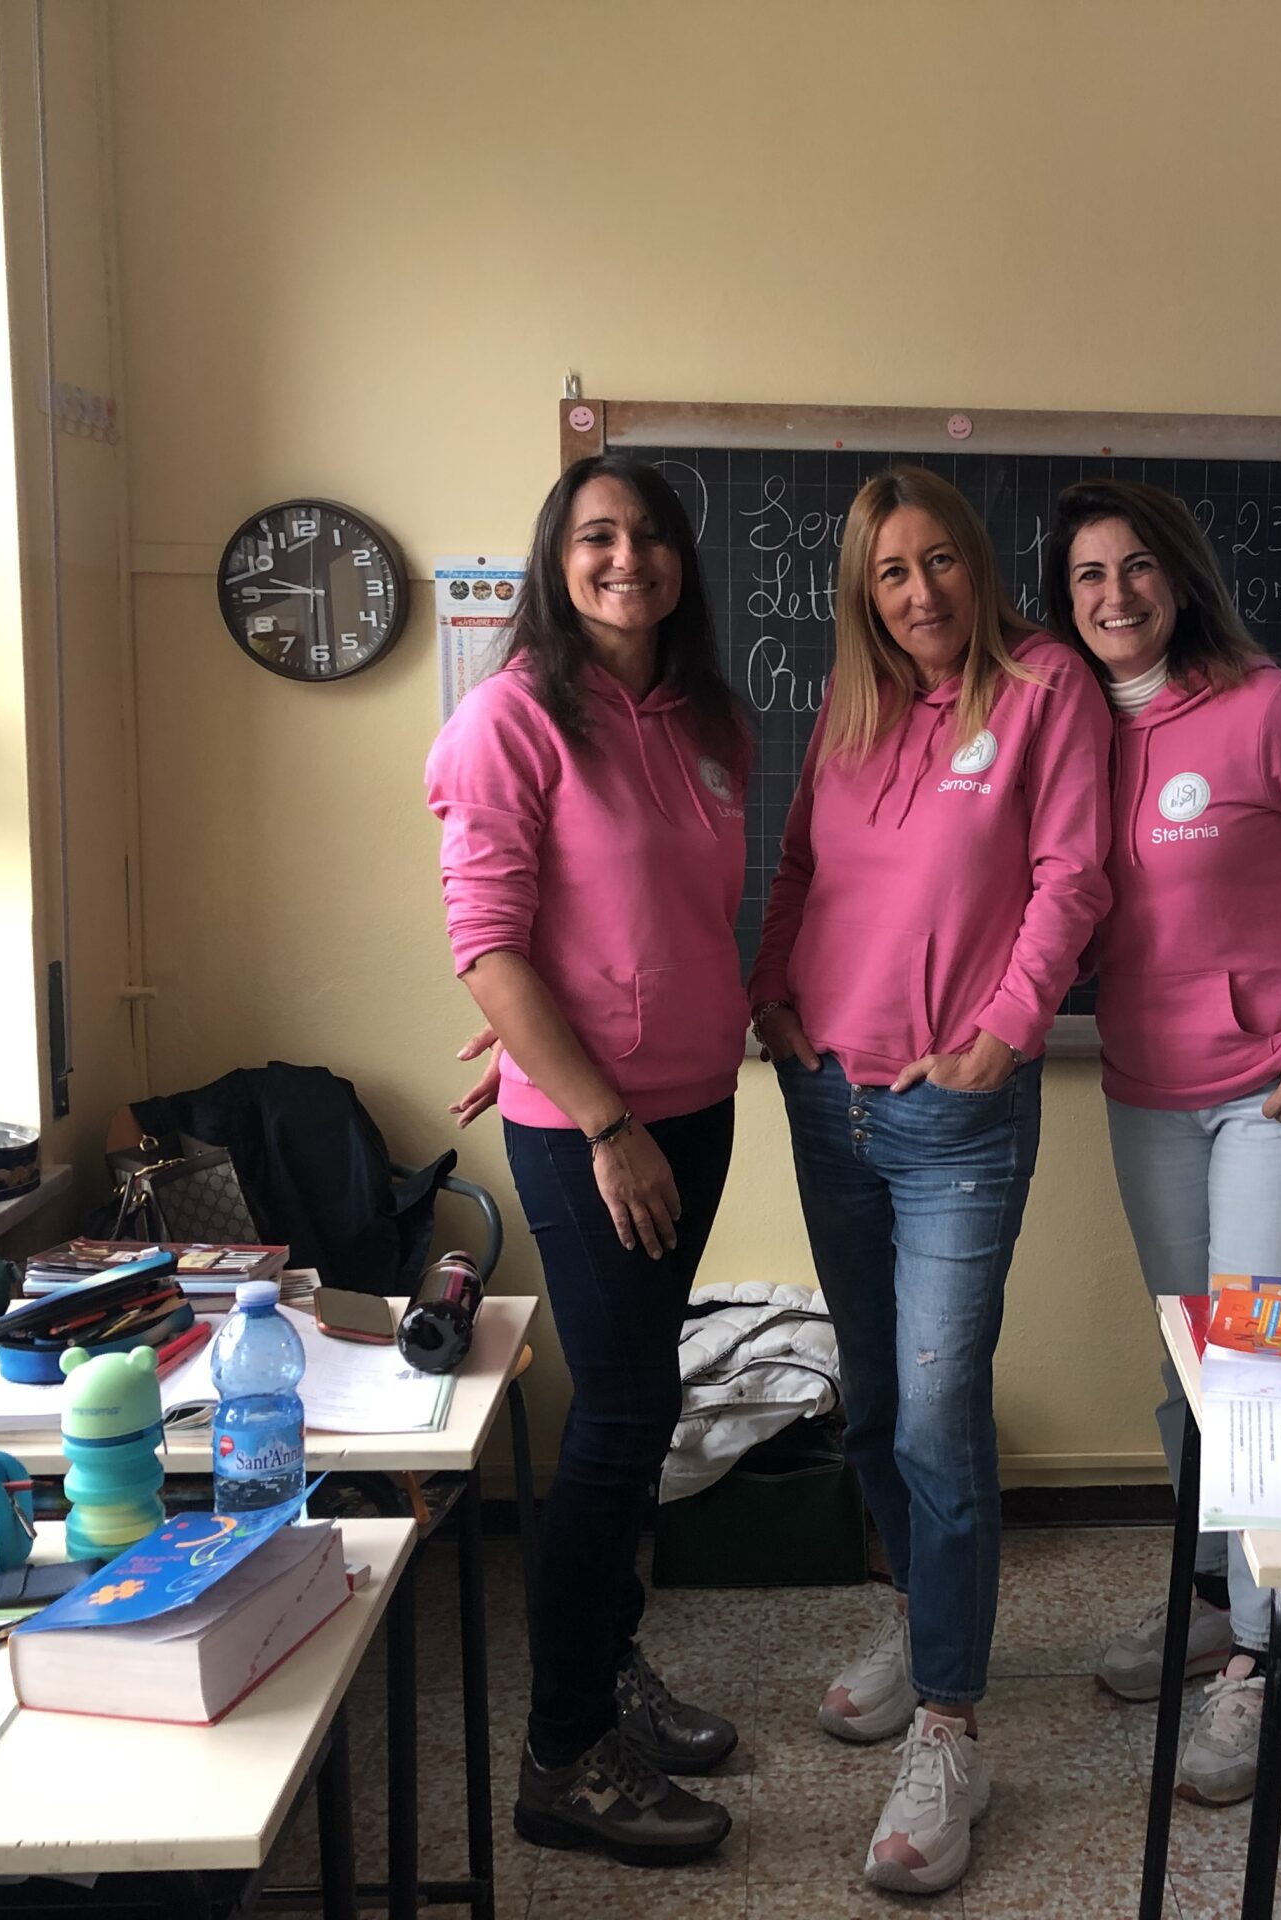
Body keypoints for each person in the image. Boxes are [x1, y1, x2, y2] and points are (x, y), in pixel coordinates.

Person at [749, 465, 1112, 1894]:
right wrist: (770, 995)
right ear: (864, 591)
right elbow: (795, 870)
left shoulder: (1043, 690)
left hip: (955, 1115)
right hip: (828, 1099)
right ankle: (918, 1616)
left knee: (942, 1413)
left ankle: (952, 1726)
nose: (919, 593)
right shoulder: (849, 710)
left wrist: (1005, 1033)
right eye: (891, 572)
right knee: (874, 1403)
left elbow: (1072, 878)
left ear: (978, 563)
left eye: (940, 562)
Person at [1045, 477, 1281, 1807]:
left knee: (1267, 1373)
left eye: (1138, 567)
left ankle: (1263, 1660)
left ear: (1182, 576)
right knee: (1192, 1364)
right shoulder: (1072, 737)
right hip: (1145, 1091)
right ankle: (1215, 1599)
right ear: (1065, 603)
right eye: (1089, 576)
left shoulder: (1275, 710)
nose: (1116, 596)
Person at [424, 454, 752, 1866]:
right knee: (617, 1417)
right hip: (597, 1130)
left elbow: (657, 923)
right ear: (558, 562)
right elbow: (486, 944)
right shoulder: (509, 721)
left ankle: (608, 1671)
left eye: (653, 536)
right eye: (599, 536)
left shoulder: (705, 720)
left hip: (694, 1106)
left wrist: (566, 1048)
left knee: (644, 1397)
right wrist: (595, 1113)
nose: (630, 558)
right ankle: (563, 1756)